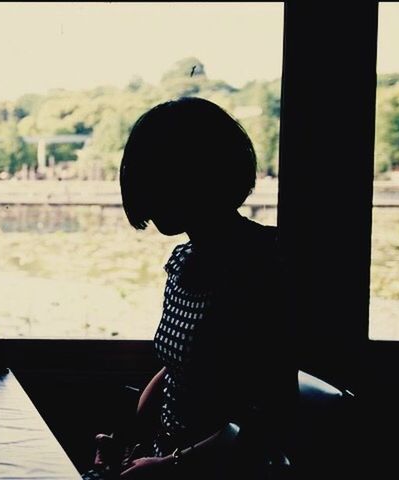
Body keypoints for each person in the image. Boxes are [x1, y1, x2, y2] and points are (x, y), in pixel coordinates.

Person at [84, 97, 297, 480]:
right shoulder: (183, 260)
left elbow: (267, 416)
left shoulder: (262, 265)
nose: (148, 196)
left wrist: (169, 466)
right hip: (171, 455)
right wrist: (127, 436)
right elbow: (174, 369)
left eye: (161, 180)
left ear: (200, 176)